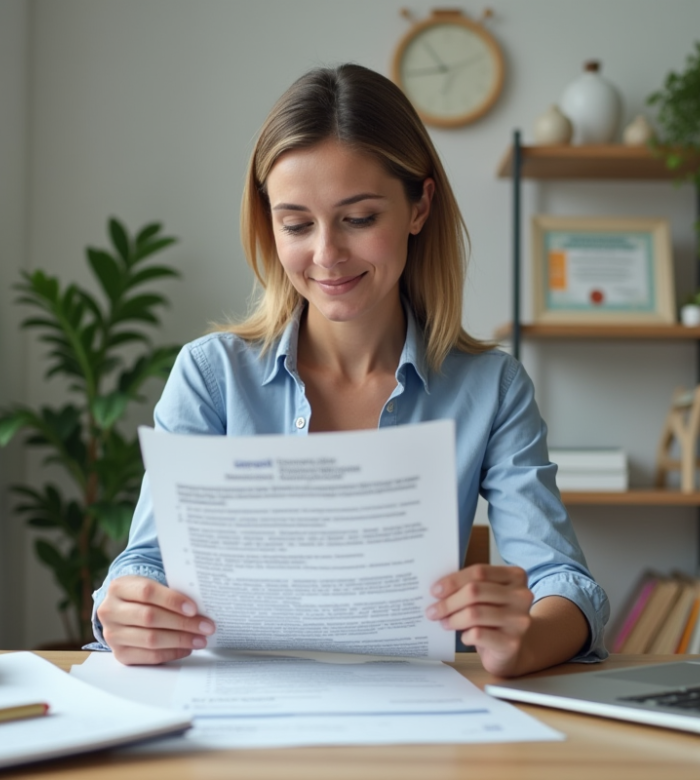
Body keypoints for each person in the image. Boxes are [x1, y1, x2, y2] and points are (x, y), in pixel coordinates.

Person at [91, 63, 609, 678]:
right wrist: (126, 608)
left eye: (359, 218)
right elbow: (146, 561)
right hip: (234, 716)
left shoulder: (490, 387)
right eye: (296, 224)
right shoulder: (211, 376)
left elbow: (562, 581)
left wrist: (523, 639)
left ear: (420, 205)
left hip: (417, 723)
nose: (327, 254)